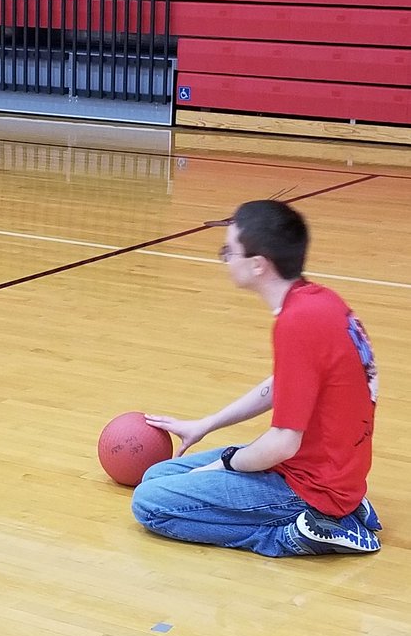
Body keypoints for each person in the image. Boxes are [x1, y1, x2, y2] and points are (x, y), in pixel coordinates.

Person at [131, 199, 380, 557]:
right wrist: (207, 423)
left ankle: (300, 532)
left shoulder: (296, 323)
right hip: (334, 472)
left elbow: (282, 444)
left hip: (309, 484)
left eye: (229, 251)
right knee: (157, 476)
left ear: (259, 265)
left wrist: (227, 461)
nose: (226, 260)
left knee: (149, 503)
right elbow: (283, 386)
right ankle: (344, 509)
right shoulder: (321, 301)